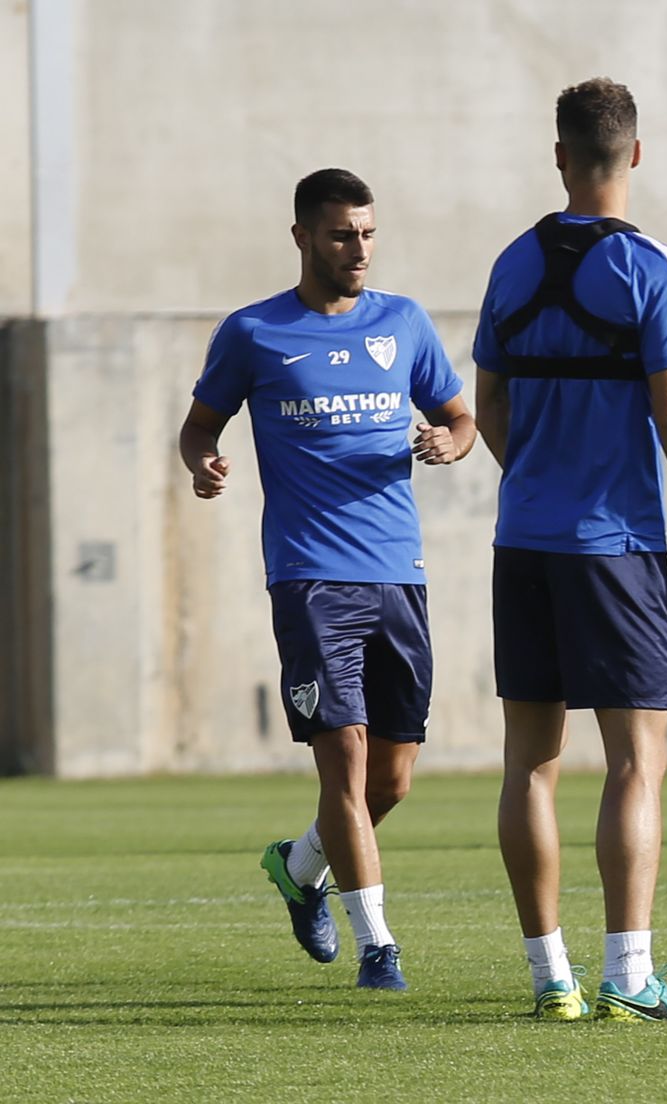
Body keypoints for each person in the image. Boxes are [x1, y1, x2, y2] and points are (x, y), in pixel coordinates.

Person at [474, 78, 667, 1023]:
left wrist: (537, 478)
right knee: (637, 762)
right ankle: (629, 979)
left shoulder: (511, 264)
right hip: (616, 548)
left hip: (524, 542)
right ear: (635, 154)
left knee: (529, 763)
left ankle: (548, 980)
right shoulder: (651, 266)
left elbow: (490, 406)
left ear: (559, 155)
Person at [180, 168, 476, 991]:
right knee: (342, 758)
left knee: (392, 780)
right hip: (310, 577)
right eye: (343, 234)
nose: (360, 249)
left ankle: (300, 864)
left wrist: (452, 442)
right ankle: (379, 947)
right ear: (303, 237)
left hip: (399, 574)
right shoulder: (254, 332)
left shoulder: (404, 323)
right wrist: (203, 462)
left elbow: (460, 416)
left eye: (369, 233)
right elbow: (200, 425)